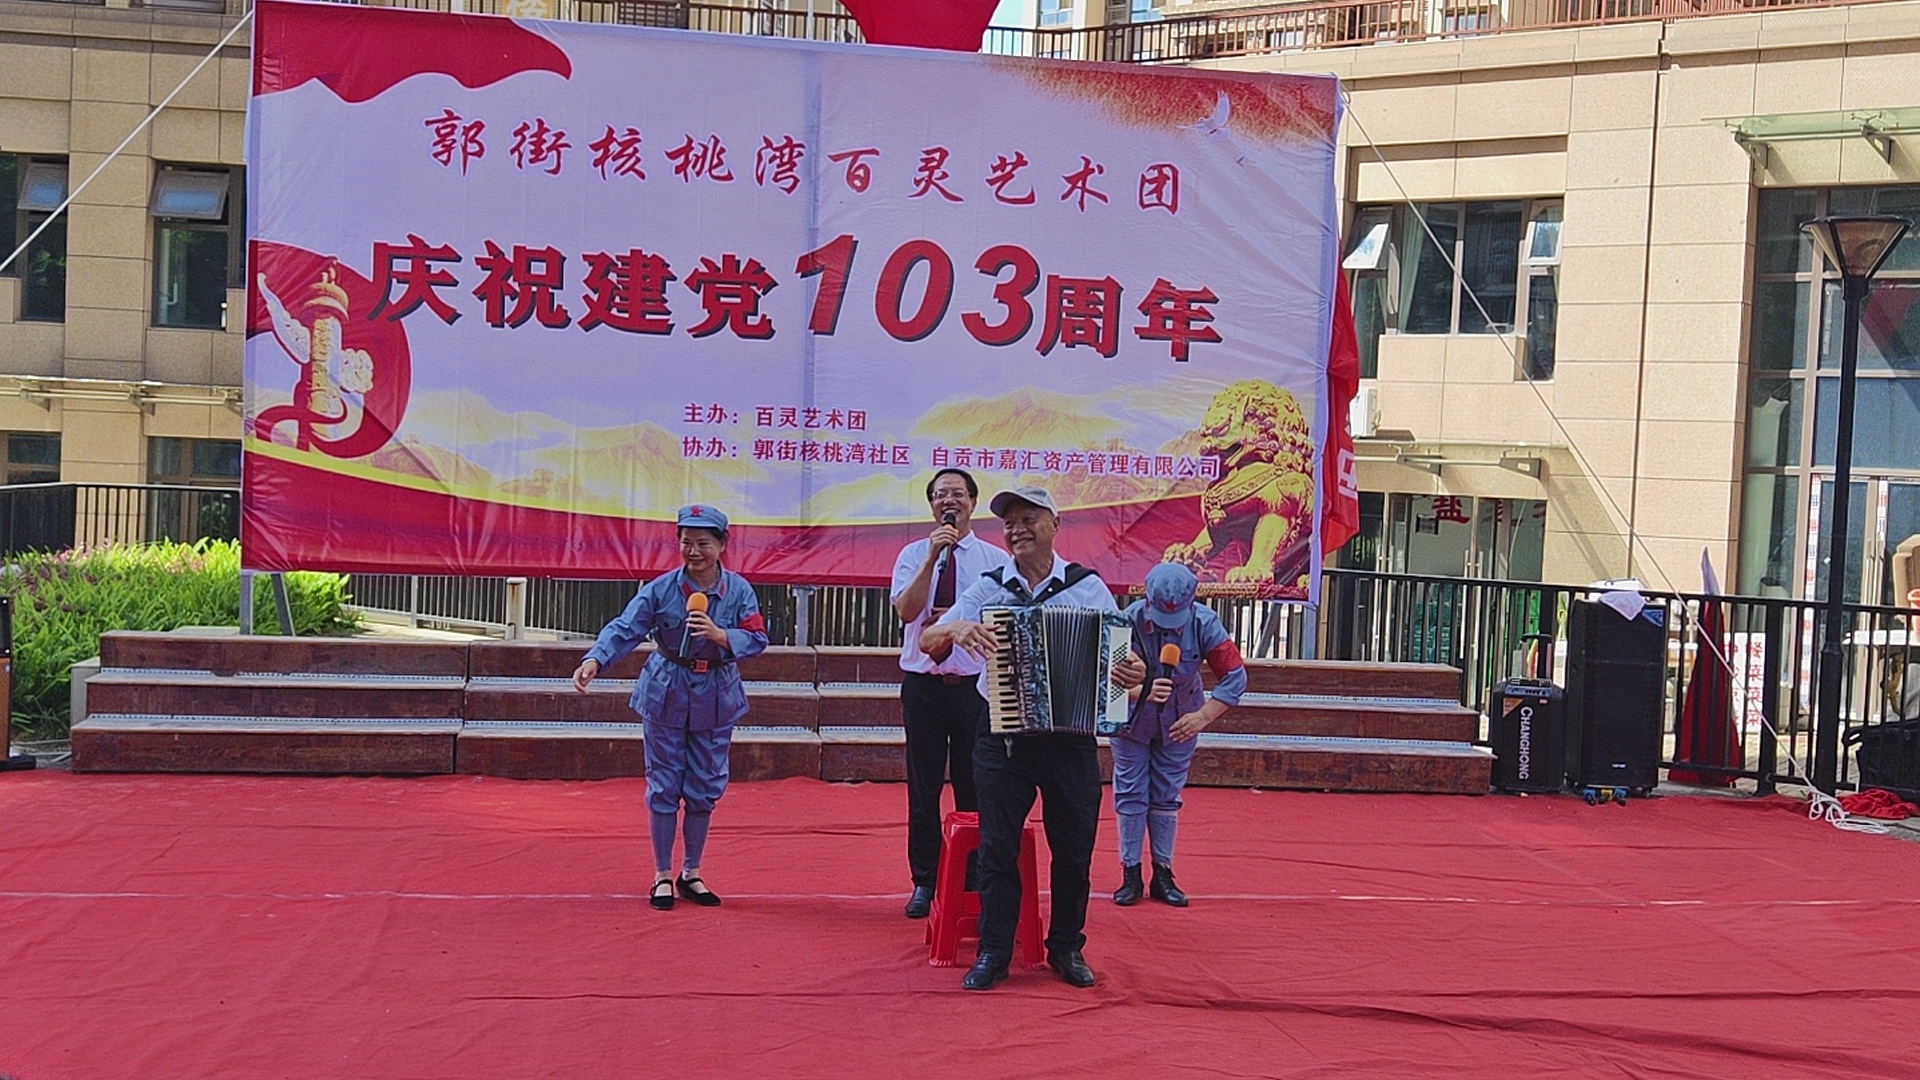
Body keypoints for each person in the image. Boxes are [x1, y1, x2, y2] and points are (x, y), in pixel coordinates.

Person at [922, 485, 1145, 991]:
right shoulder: (989, 588)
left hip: (1070, 738)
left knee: (1074, 849)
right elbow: (928, 640)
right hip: (1003, 738)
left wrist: (1133, 672)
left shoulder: (1087, 588)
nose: (1017, 530)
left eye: (1028, 519)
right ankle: (994, 950)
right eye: (1010, 523)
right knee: (998, 847)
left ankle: (1066, 946)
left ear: (1055, 525)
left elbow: (1122, 664)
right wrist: (956, 630)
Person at [572, 504, 769, 911]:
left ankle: (691, 872)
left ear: (722, 545)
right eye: (686, 543)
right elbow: (626, 626)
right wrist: (595, 659)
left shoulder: (739, 591)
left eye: (703, 543)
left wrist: (721, 635)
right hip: (666, 691)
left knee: (704, 787)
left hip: (716, 694)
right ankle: (662, 874)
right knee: (663, 784)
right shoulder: (661, 589)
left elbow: (757, 638)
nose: (694, 552)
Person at [890, 468, 1013, 920]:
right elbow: (907, 612)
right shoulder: (911, 555)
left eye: (957, 493)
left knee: (975, 785)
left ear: (973, 503)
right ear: (931, 506)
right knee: (923, 789)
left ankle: (971, 880)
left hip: (973, 689)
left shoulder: (994, 559)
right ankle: (924, 880)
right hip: (923, 686)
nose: (949, 501)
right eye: (941, 494)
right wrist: (931, 557)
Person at [1111, 562, 1247, 908]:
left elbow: (1235, 676)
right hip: (1131, 722)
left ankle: (1163, 873)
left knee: (1166, 795)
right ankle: (1130, 872)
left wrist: (1202, 717)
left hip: (1181, 720)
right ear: (1147, 600)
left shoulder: (1205, 623)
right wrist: (1139, 691)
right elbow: (1104, 678)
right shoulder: (1124, 622)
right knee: (1130, 793)